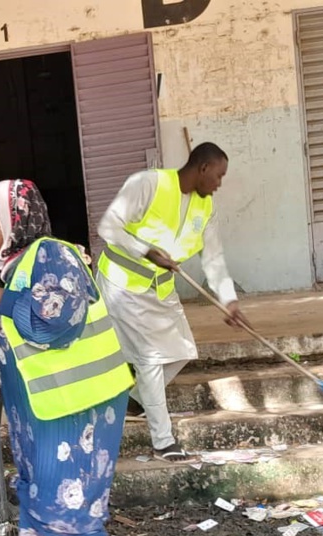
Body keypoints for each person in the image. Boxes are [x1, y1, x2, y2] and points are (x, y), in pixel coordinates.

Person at [0, 179, 135, 536]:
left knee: (66, 501)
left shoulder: (53, 255)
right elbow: (22, 340)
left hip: (78, 404)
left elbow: (56, 323)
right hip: (47, 405)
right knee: (52, 497)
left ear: (10, 222)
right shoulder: (21, 266)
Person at [95, 142, 249, 462]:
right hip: (123, 284)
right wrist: (146, 251)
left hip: (161, 290)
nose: (219, 184)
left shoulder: (205, 207)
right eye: (218, 176)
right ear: (203, 168)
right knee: (150, 361)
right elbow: (108, 226)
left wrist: (229, 301)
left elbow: (213, 258)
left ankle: (135, 400)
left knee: (182, 351)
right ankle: (163, 442)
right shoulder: (147, 184)